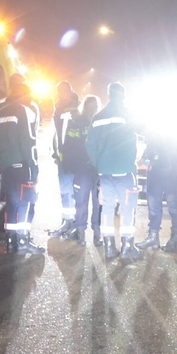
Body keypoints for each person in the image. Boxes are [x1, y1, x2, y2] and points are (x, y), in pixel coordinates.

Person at [85, 82, 143, 260]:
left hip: (105, 172)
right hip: (125, 170)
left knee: (107, 208)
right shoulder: (127, 113)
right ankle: (127, 247)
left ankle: (109, 247)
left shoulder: (98, 116)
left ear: (109, 95)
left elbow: (90, 145)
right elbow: (143, 131)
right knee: (127, 209)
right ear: (123, 95)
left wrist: (99, 164)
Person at [0, 81, 44, 254]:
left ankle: (11, 240)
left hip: (6, 166)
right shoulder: (22, 110)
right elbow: (28, 142)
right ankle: (23, 241)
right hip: (22, 165)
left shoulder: (0, 111)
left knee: (12, 203)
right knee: (26, 202)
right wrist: (33, 167)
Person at [62, 94, 103, 246]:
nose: (93, 109)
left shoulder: (98, 123)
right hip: (89, 168)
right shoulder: (78, 122)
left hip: (89, 169)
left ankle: (86, 234)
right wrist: (69, 164)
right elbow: (69, 144)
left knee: (88, 202)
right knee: (87, 202)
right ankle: (85, 233)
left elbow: (69, 145)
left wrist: (69, 165)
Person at [137, 130, 177, 253]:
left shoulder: (170, 135)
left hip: (169, 173)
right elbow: (144, 157)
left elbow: (171, 151)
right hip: (155, 174)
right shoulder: (152, 136)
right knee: (153, 206)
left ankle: (175, 238)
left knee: (173, 206)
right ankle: (153, 237)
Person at [50, 80, 78, 238]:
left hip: (73, 158)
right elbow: (57, 134)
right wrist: (55, 152)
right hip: (63, 158)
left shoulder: (75, 108)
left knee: (73, 192)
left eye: (63, 91)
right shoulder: (59, 107)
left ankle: (74, 224)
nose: (61, 94)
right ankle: (67, 221)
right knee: (65, 192)